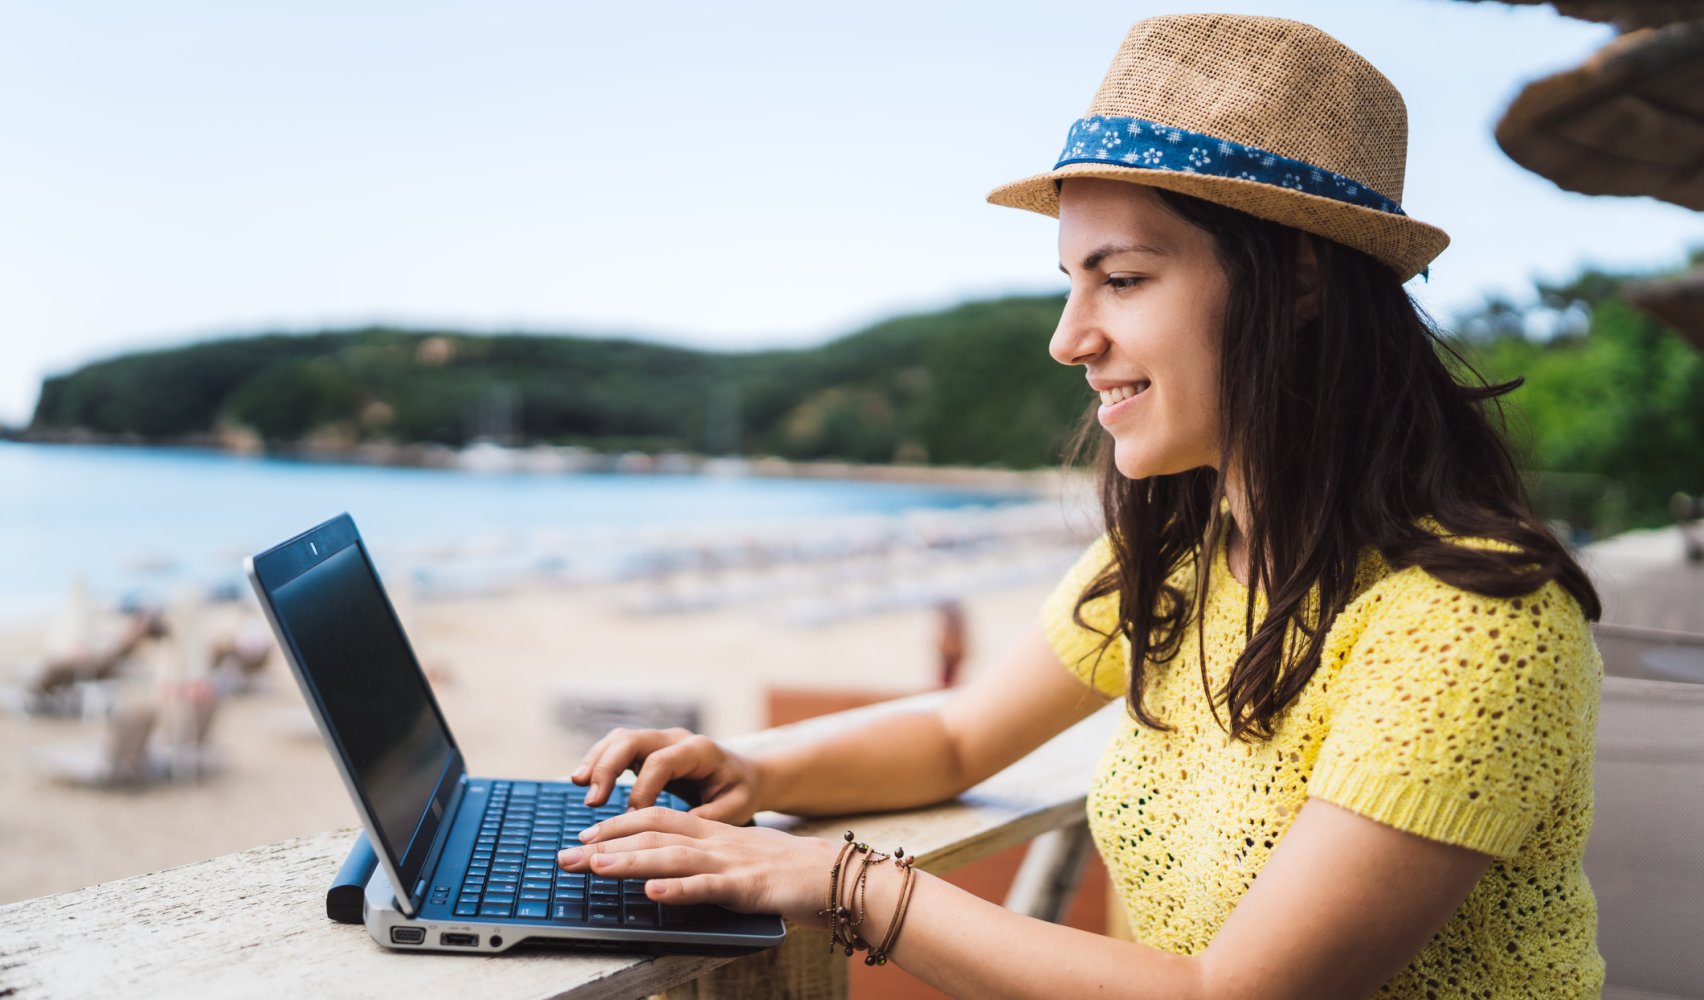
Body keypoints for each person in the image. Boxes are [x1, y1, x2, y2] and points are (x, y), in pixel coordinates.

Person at [556, 14, 1606, 997]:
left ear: (1297, 284)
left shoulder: (1471, 624)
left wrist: (843, 881)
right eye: (1071, 280)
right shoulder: (1191, 554)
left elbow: (1236, 993)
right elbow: (961, 736)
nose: (1070, 337)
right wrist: (752, 767)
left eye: (1124, 279)